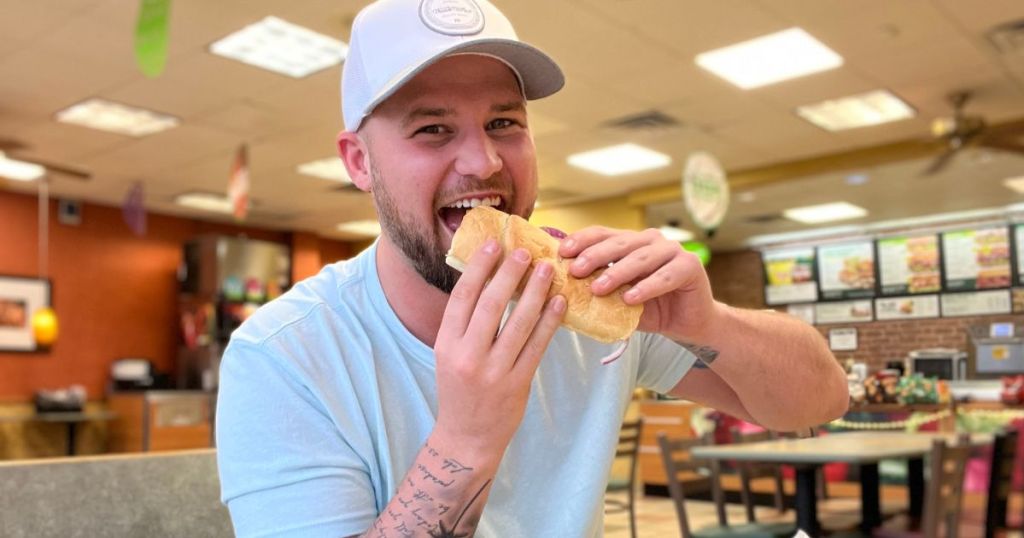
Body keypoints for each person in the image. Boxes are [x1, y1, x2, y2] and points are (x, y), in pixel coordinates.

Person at [215, 0, 849, 536]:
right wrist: (465, 440)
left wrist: (710, 324)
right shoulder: (283, 356)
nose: (484, 161)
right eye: (433, 128)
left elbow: (818, 402)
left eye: (504, 122)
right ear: (359, 162)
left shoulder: (591, 303)